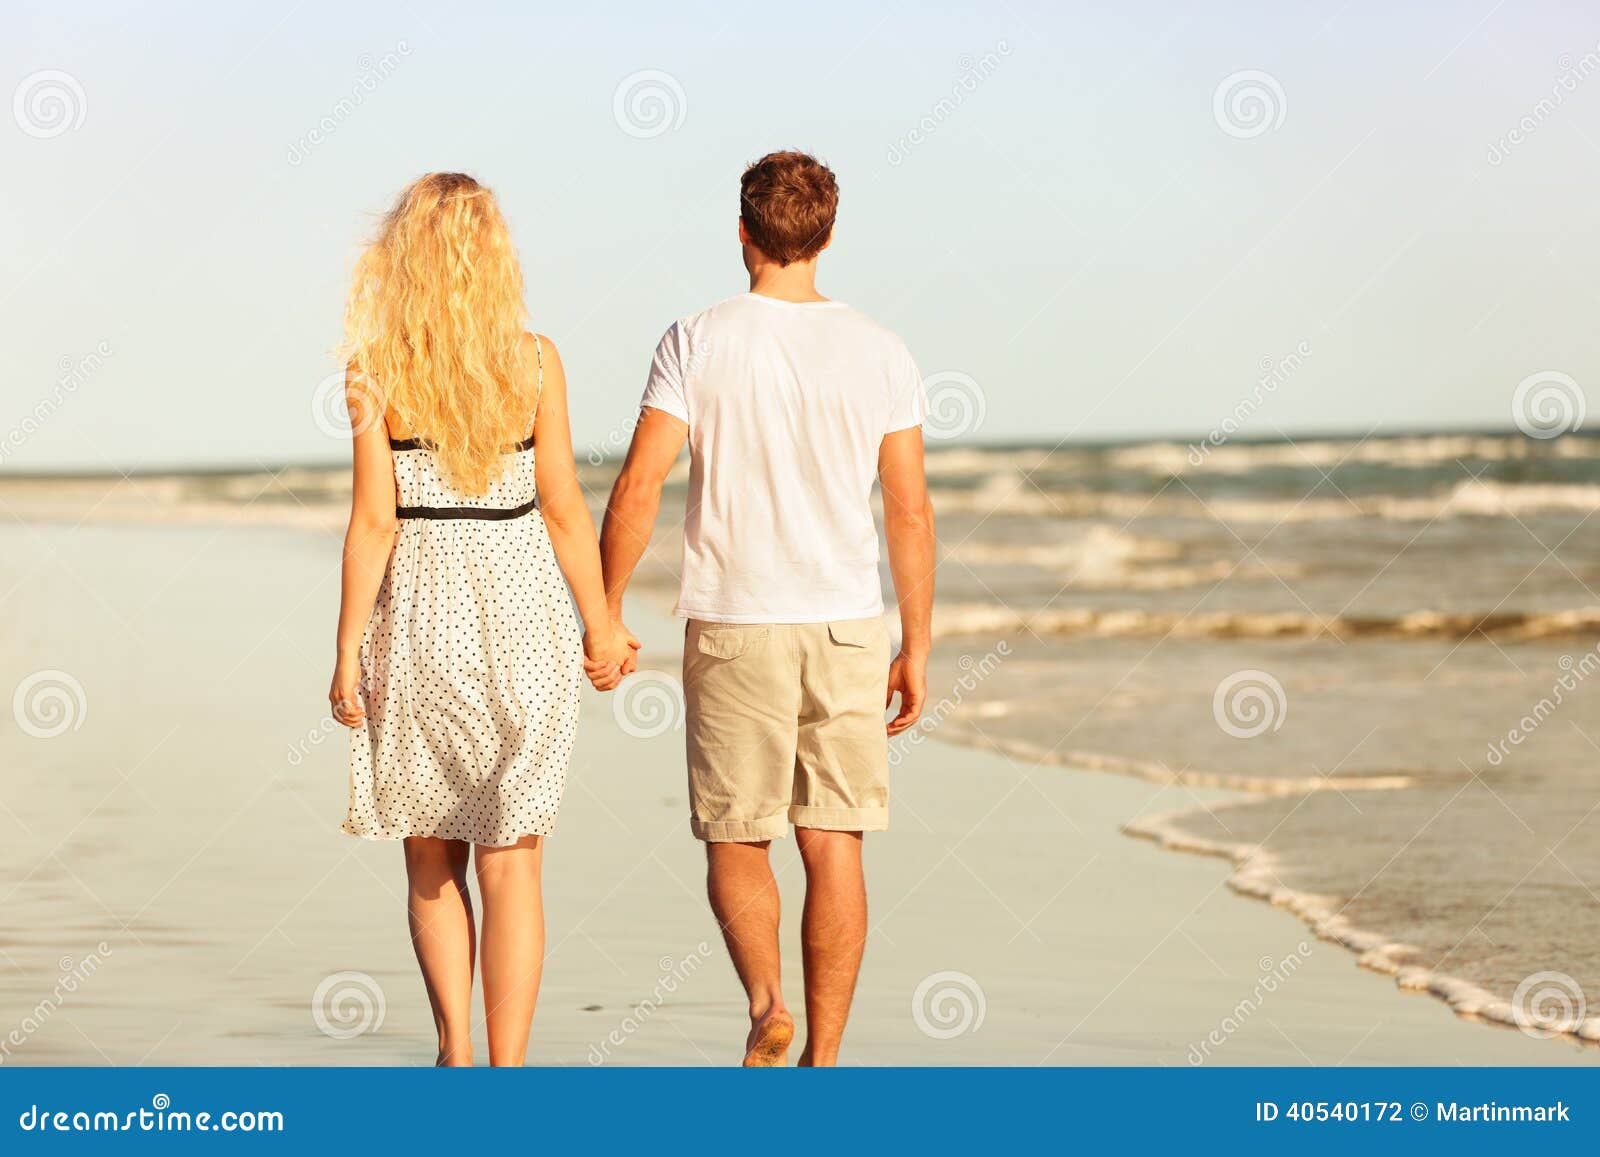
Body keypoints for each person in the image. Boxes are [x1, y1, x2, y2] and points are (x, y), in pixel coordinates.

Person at [599, 150, 936, 1066]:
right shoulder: (881, 348)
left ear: (743, 232)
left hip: (737, 620)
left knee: (738, 832)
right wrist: (918, 641)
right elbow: (908, 508)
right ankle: (824, 1061)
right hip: (848, 623)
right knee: (834, 841)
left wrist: (606, 605)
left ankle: (765, 1005)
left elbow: (640, 485)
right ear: (827, 236)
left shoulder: (697, 338)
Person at [329, 172, 631, 1067]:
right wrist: (602, 623)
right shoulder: (536, 360)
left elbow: (374, 522)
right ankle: (510, 1070)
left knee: (432, 853)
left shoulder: (373, 369)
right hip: (524, 615)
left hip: (421, 618)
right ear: (496, 254)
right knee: (514, 856)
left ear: (402, 254)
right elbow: (566, 505)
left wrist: (347, 648)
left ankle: (455, 1049)